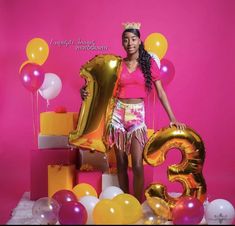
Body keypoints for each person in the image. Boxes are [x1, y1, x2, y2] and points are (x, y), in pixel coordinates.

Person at [80, 22, 186, 202]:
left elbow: (160, 92)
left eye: (133, 39)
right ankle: (126, 202)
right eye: (126, 40)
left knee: (137, 164)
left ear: (139, 41)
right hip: (117, 115)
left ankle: (136, 203)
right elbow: (99, 85)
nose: (130, 43)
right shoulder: (116, 64)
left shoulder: (149, 64)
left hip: (137, 115)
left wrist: (173, 118)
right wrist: (84, 92)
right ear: (122, 43)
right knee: (120, 163)